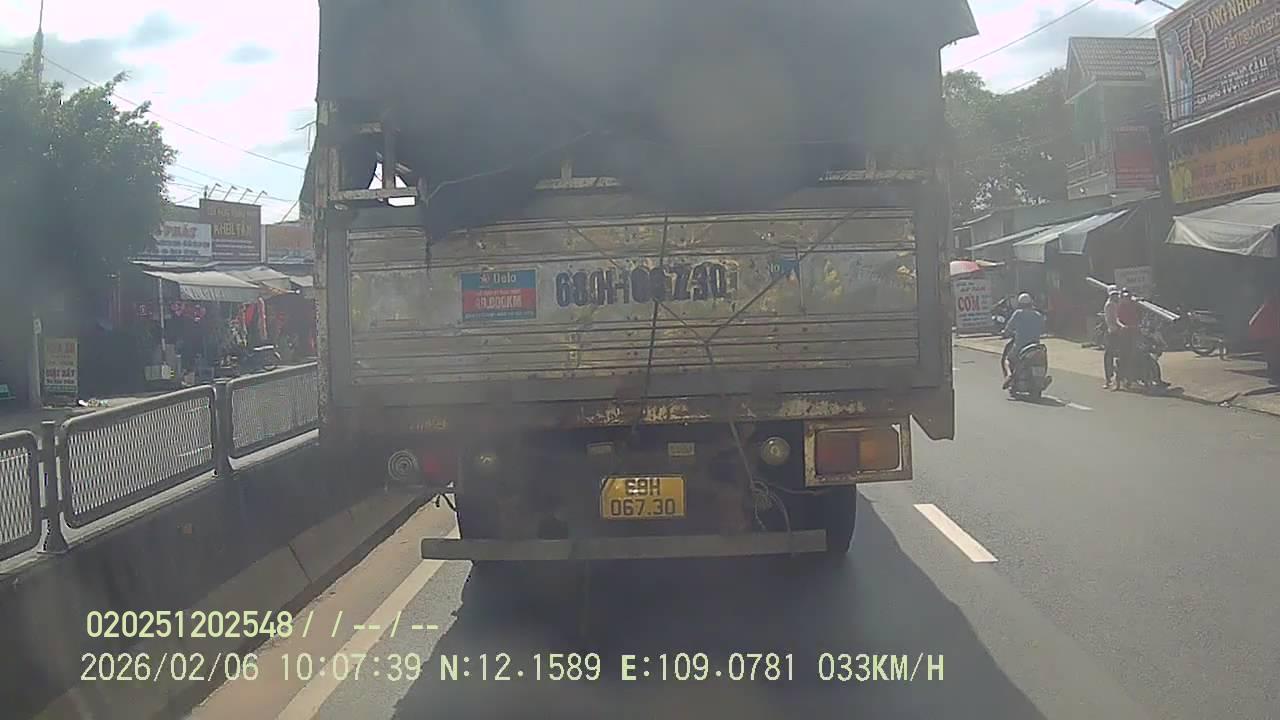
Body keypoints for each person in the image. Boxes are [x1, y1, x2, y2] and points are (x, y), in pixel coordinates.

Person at [1001, 293, 1045, 388]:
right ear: (1031, 303)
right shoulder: (1038, 315)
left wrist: (1005, 332)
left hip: (1020, 346)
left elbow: (1008, 327)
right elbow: (1043, 329)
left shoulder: (1018, 313)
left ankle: (1009, 375)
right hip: (1035, 346)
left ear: (1020, 304)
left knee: (1007, 359)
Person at [1113, 288, 1141, 390]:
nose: (1127, 299)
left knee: (1135, 356)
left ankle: (1133, 378)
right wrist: (1122, 326)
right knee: (1122, 358)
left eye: (1128, 297)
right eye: (1125, 297)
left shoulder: (1134, 305)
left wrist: (1139, 325)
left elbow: (1139, 317)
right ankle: (1117, 382)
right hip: (1124, 334)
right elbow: (1117, 319)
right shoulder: (1120, 306)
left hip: (1134, 332)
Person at [1102, 286, 1122, 388]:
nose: (1115, 296)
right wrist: (1122, 326)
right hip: (1113, 332)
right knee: (1109, 355)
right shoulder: (1110, 305)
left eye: (1116, 294)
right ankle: (1108, 379)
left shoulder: (1118, 303)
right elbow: (1114, 320)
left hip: (1120, 332)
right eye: (1113, 295)